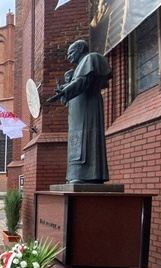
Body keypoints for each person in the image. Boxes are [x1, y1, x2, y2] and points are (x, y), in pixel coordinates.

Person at [47, 39, 112, 184]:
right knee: (77, 141)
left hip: (88, 107)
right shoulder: (76, 69)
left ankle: (89, 175)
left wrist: (65, 90)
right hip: (77, 110)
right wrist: (63, 91)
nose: (69, 56)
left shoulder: (91, 58)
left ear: (81, 49)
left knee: (87, 138)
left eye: (71, 52)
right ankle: (77, 174)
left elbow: (82, 81)